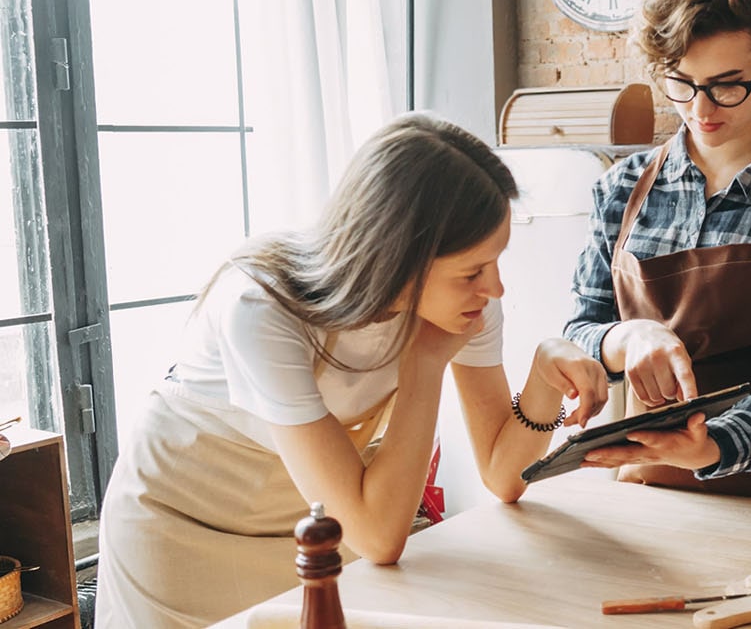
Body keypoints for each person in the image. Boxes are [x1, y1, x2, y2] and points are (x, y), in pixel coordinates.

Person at [96, 113, 610, 628]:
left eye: (495, 261)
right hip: (183, 524)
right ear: (397, 258)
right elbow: (378, 537)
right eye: (473, 271)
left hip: (316, 524)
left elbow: (504, 476)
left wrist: (543, 375)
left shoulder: (463, 304)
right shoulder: (260, 308)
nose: (495, 288)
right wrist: (425, 361)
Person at [563, 0, 751, 500]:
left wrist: (711, 446)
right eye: (681, 83)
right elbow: (579, 330)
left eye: (726, 84)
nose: (701, 108)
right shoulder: (620, 188)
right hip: (648, 489)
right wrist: (626, 339)